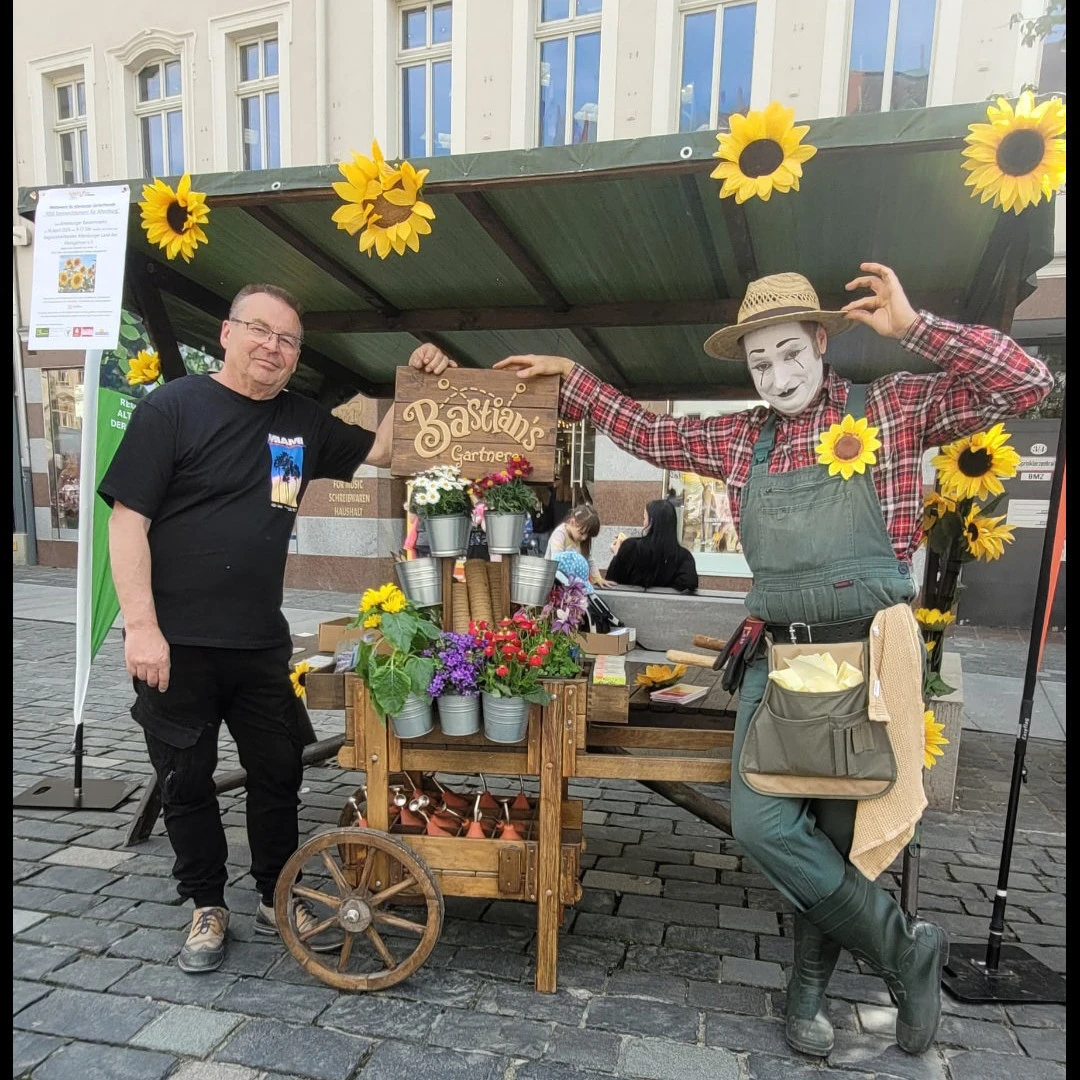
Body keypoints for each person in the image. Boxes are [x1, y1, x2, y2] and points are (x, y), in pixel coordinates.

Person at [496, 264, 1052, 1058]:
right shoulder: (739, 436)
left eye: (791, 353)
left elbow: (1027, 383)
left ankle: (808, 995)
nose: (779, 375)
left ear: (821, 342)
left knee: (836, 836)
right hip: (779, 657)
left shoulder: (892, 407)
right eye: (761, 362)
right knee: (765, 824)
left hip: (867, 658)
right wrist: (574, 379)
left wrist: (914, 329)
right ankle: (905, 951)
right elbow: (647, 432)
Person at [99, 283, 454, 974]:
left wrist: (414, 381)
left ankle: (275, 891)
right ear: (227, 333)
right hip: (176, 642)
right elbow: (127, 522)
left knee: (279, 771)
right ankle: (207, 904)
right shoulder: (172, 408)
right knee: (186, 781)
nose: (273, 347)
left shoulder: (302, 422)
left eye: (288, 339)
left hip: (261, 640)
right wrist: (141, 627)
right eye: (260, 330)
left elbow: (386, 450)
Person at [605, 499, 698, 593]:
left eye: (644, 518)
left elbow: (611, 581)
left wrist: (617, 555)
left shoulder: (631, 547)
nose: (643, 523)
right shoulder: (683, 556)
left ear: (651, 522)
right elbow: (689, 583)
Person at [545, 503, 612, 588]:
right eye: (581, 533)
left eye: (588, 535)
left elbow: (589, 559)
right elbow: (556, 561)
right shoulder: (560, 534)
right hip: (553, 582)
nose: (584, 538)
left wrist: (598, 578)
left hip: (572, 584)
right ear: (572, 522)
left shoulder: (581, 539)